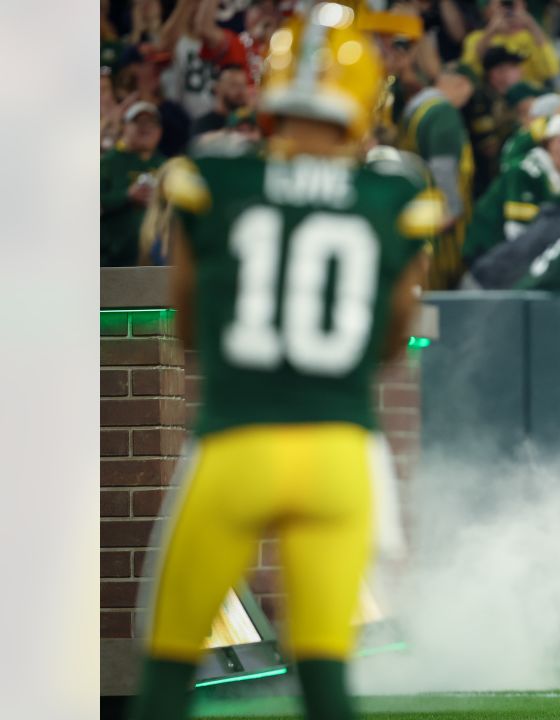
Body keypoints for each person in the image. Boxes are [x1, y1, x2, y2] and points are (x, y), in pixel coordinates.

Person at [127, 7, 438, 720]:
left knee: (168, 669)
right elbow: (393, 335)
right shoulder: (394, 191)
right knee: (326, 676)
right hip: (339, 452)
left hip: (237, 441)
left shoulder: (213, 175)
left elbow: (186, 322)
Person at [462, 112, 560, 267]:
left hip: (519, 251)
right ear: (548, 143)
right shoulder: (525, 171)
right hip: (488, 246)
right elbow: (516, 231)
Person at [398, 61, 476, 289]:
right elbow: (442, 166)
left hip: (418, 207)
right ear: (462, 84)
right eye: (468, 96)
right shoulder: (443, 112)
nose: (464, 103)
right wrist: (452, 208)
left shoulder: (416, 110)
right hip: (438, 219)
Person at [101, 102, 167, 266]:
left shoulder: (166, 165)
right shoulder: (108, 162)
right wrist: (126, 196)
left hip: (157, 262)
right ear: (125, 127)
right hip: (114, 261)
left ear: (160, 131)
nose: (145, 128)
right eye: (138, 122)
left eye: (151, 123)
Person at [465, 45, 525, 194]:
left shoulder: (504, 99)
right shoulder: (480, 100)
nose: (520, 71)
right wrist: (521, 128)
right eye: (513, 67)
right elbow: (489, 148)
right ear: (497, 73)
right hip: (484, 181)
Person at [461, 0, 560, 89]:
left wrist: (531, 25)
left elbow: (551, 70)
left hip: (529, 94)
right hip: (493, 97)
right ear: (486, 11)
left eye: (512, 4)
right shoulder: (475, 38)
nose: (508, 9)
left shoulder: (532, 37)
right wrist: (491, 32)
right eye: (502, 4)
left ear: (524, 6)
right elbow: (470, 71)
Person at [190, 64, 250, 138]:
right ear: (217, 88)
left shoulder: (250, 123)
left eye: (243, 85)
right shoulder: (202, 125)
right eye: (234, 85)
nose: (241, 91)